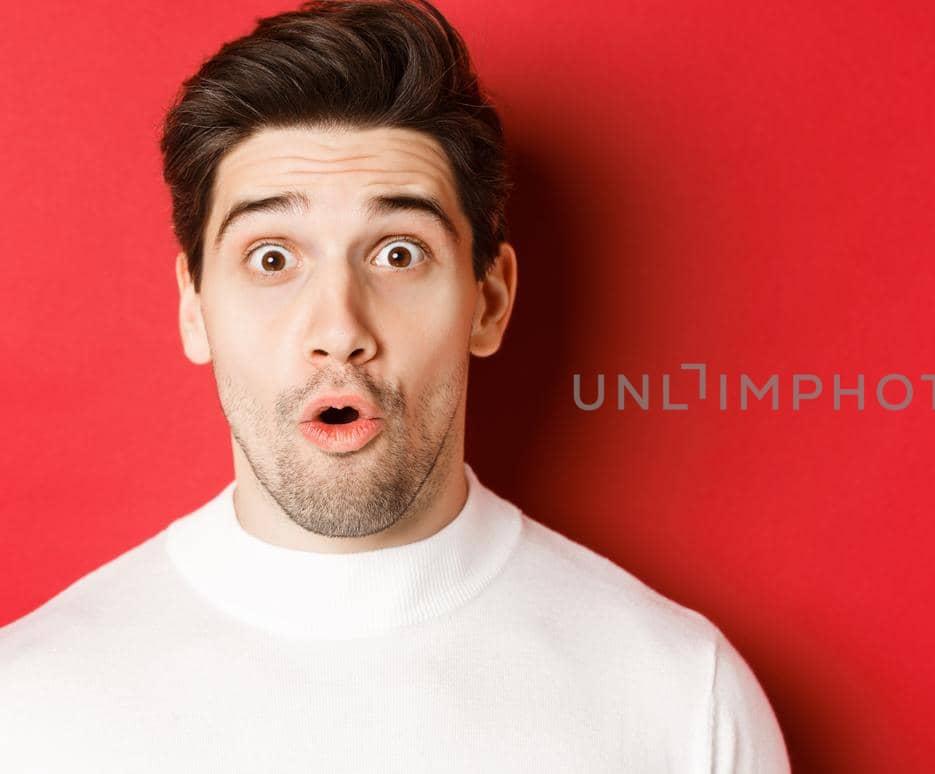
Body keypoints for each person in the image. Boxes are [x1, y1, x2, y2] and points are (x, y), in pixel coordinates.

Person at [0, 1, 790, 770]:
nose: (339, 329)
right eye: (272, 258)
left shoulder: (680, 701)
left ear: (490, 301)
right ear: (194, 309)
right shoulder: (28, 707)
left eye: (398, 254)